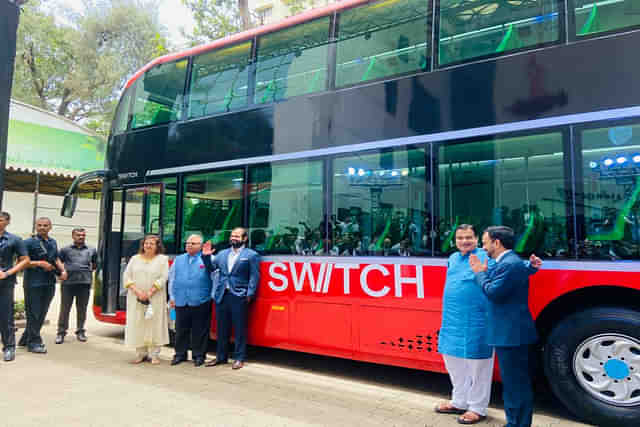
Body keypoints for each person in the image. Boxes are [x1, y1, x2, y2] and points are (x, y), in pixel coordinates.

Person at [437, 225, 542, 424]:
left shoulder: (486, 257)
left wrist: (530, 267)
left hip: (477, 319)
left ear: (477, 239)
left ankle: (477, 407)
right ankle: (459, 401)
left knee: (478, 366)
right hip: (452, 319)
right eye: (460, 238)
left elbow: (508, 274)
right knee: (453, 362)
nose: (464, 241)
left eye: (469, 237)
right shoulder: (452, 258)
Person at [470, 226, 540, 427]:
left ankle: (517, 424)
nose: (483, 247)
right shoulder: (509, 263)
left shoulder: (509, 264)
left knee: (515, 384)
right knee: (513, 383)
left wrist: (479, 274)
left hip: (511, 335)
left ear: (497, 242)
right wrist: (531, 267)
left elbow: (494, 292)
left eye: (485, 242)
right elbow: (513, 275)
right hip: (509, 334)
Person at [202, 227, 260, 369]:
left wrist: (249, 293)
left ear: (244, 239)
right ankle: (221, 357)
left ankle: (239, 358)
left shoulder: (251, 255)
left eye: (237, 236)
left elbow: (254, 276)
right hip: (222, 295)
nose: (234, 238)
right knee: (222, 328)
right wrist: (206, 256)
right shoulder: (222, 254)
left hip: (239, 295)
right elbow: (211, 269)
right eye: (232, 235)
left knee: (240, 329)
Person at [21, 217, 67, 354]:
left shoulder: (52, 242)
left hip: (49, 282)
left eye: (45, 225)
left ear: (50, 227)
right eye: (39, 225)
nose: (42, 227)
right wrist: (39, 263)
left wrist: (63, 270)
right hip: (33, 283)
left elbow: (56, 258)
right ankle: (34, 343)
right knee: (33, 313)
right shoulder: (28, 242)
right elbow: (21, 261)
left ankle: (25, 338)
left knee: (42, 312)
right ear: (36, 226)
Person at [122, 234, 169, 364]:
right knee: (138, 323)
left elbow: (163, 277)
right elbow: (126, 276)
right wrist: (137, 292)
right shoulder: (134, 259)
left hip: (155, 298)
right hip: (136, 297)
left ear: (157, 246)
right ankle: (140, 353)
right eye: (146, 243)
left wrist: (149, 292)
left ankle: (154, 354)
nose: (148, 246)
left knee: (154, 323)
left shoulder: (162, 260)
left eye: (151, 244)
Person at [168, 234, 212, 367]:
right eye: (187, 243)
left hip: (201, 300)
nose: (189, 245)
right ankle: (180, 354)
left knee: (199, 330)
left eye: (193, 243)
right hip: (181, 300)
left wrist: (210, 296)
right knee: (180, 329)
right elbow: (172, 279)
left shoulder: (207, 259)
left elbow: (214, 278)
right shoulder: (179, 259)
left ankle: (199, 356)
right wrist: (172, 297)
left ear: (201, 246)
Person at [56, 228, 97, 344]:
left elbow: (95, 264)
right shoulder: (65, 250)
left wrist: (86, 273)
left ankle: (80, 331)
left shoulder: (91, 249)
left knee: (82, 309)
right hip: (68, 283)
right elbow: (58, 261)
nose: (81, 237)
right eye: (78, 235)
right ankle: (61, 332)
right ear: (73, 236)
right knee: (65, 309)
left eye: (83, 235)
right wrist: (62, 272)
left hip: (84, 283)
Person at [0, 212, 29, 362]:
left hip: (5, 283)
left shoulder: (14, 239)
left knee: (6, 316)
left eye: (1, 220)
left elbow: (25, 259)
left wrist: (8, 272)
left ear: (7, 222)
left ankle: (9, 347)